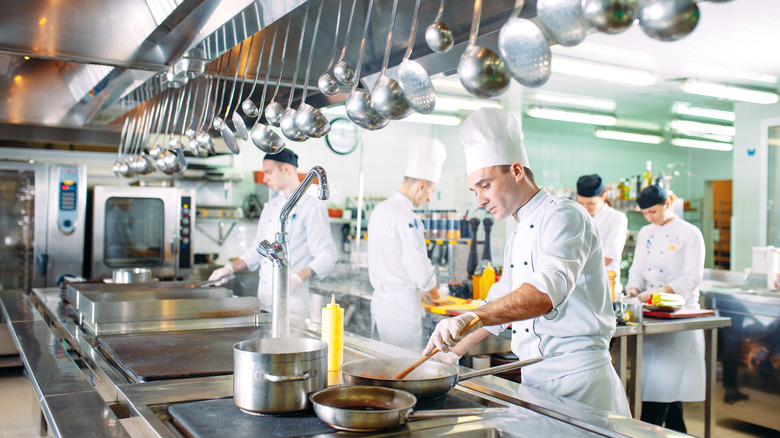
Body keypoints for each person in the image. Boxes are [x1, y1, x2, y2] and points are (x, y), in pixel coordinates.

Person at [424, 108, 631, 417]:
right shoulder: (519, 229)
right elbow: (502, 300)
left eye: (485, 185)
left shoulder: (565, 215)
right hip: (537, 381)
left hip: (579, 384)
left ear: (517, 171)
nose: (479, 200)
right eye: (474, 190)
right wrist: (450, 353)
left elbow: (543, 295)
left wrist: (471, 317)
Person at [208, 149, 337, 322]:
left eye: (269, 173)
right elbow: (258, 250)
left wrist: (297, 278)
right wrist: (229, 268)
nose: (265, 179)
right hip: (264, 301)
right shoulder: (270, 207)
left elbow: (327, 255)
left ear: (286, 169)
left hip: (292, 305)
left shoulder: (312, 207)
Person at [626, 184, 705, 433]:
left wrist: (661, 293)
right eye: (645, 214)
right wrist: (633, 290)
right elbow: (637, 269)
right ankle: (675, 430)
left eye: (653, 212)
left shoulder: (690, 233)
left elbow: (692, 276)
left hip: (678, 317)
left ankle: (651, 430)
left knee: (664, 389)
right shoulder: (645, 233)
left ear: (667, 204)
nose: (650, 218)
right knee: (660, 388)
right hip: (650, 317)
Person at [368, 137, 447, 351]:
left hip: (382, 308)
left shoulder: (380, 210)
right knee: (403, 371)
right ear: (422, 185)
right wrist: (437, 297)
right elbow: (418, 265)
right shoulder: (407, 217)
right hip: (401, 312)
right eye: (432, 191)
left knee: (384, 368)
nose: (430, 198)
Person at [576, 174, 628, 296]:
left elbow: (608, 256)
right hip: (578, 286)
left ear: (603, 196)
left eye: (591, 203)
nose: (585, 207)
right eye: (582, 203)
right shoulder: (577, 216)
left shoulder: (617, 218)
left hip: (605, 287)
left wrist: (574, 267)